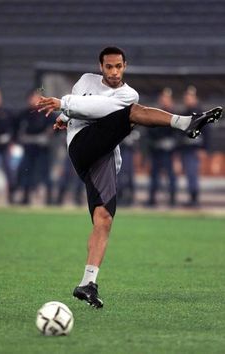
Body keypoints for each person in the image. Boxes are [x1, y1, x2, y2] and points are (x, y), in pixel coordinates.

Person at [36, 48, 223, 308]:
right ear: (100, 66)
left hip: (103, 159)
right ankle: (185, 123)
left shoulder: (127, 94)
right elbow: (87, 106)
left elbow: (99, 107)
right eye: (109, 66)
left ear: (125, 66)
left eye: (118, 67)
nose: (114, 72)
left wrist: (64, 105)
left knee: (104, 219)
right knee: (133, 112)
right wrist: (65, 114)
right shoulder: (85, 81)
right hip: (81, 146)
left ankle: (87, 283)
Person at [15, 89, 54, 205]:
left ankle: (49, 199)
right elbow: (17, 130)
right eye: (33, 98)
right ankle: (25, 197)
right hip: (28, 149)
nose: (36, 101)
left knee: (45, 173)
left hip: (43, 150)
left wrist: (48, 135)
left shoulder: (47, 113)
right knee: (26, 172)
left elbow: (54, 128)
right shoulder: (24, 115)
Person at [145, 88, 177, 207]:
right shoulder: (155, 113)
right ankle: (152, 199)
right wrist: (155, 143)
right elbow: (150, 132)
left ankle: (172, 199)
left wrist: (172, 143)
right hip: (156, 150)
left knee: (170, 176)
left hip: (168, 152)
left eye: (167, 99)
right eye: (163, 98)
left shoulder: (175, 114)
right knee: (154, 176)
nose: (165, 101)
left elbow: (178, 134)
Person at [179, 86, 210, 207]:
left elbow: (207, 133)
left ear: (195, 98)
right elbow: (180, 133)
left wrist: (204, 149)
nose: (188, 100)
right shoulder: (184, 114)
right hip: (186, 149)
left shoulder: (202, 113)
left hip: (195, 149)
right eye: (186, 98)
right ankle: (192, 198)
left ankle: (194, 199)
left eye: (190, 97)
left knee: (193, 174)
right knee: (189, 174)